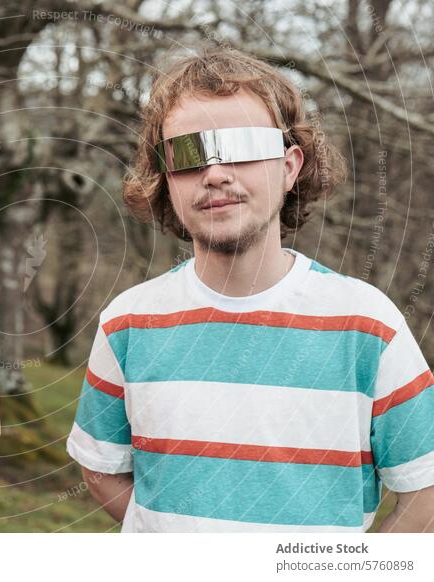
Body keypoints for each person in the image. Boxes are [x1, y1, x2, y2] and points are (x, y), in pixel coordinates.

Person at [66, 49, 434, 532]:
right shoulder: (128, 323)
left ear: (289, 166)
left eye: (242, 145)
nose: (215, 172)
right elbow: (100, 465)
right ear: (166, 181)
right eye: (189, 153)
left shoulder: (370, 324)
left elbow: (424, 490)